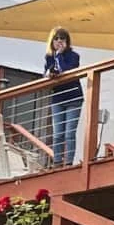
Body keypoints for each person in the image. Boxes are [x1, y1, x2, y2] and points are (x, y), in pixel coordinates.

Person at [44, 28, 83, 166]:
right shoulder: (49, 57)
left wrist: (59, 56)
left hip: (73, 97)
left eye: (63, 38)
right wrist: (50, 72)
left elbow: (67, 70)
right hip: (58, 98)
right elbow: (46, 73)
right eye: (56, 38)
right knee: (58, 134)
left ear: (67, 42)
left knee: (69, 133)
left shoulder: (74, 56)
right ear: (52, 41)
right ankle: (57, 162)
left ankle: (68, 163)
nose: (59, 41)